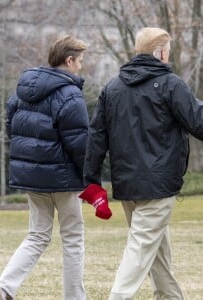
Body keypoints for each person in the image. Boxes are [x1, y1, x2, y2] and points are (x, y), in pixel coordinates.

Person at [83, 27, 203, 299]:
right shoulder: (170, 84)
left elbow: (96, 136)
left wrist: (91, 181)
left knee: (155, 248)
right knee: (140, 247)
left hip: (127, 184)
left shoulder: (112, 87)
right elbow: (199, 122)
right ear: (161, 52)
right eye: (168, 50)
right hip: (159, 184)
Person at [0, 35, 89, 300]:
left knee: (37, 236)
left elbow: (12, 129)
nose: (81, 67)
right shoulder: (70, 95)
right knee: (72, 238)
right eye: (80, 61)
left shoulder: (21, 91)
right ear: (69, 60)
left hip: (32, 177)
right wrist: (90, 175)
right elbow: (80, 143)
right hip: (64, 179)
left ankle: (3, 288)